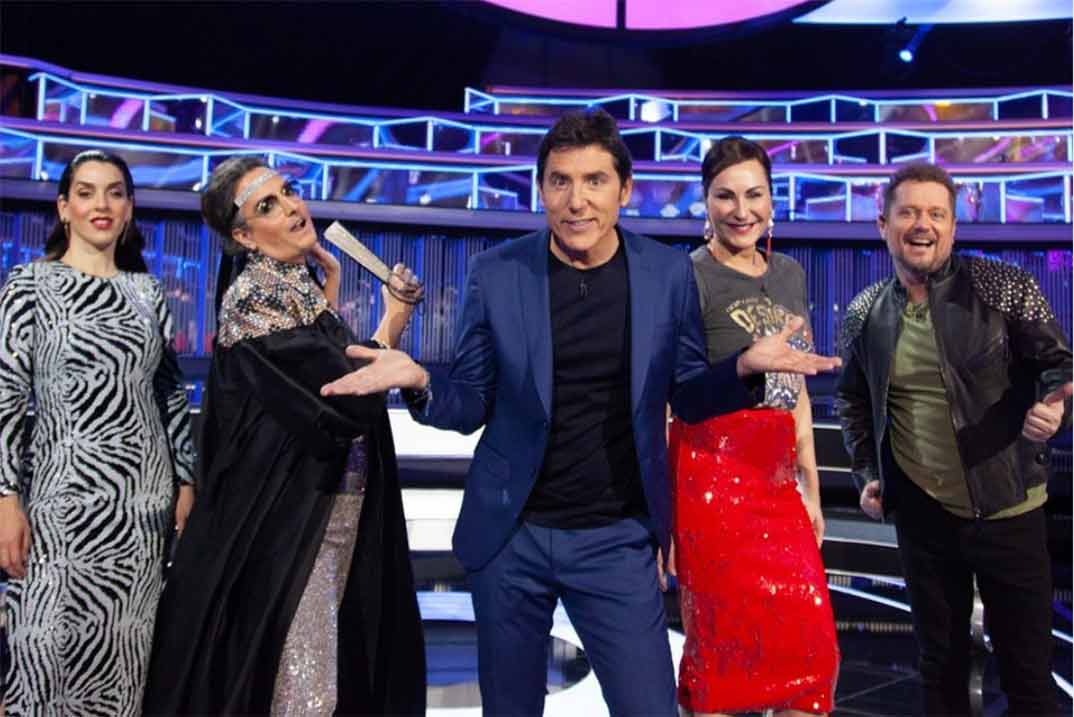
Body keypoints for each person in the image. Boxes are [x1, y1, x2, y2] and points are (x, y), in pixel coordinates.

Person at [320, 109, 840, 717]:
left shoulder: (667, 274)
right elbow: (471, 402)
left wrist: (745, 367)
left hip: (615, 540)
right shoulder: (498, 273)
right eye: (560, 181)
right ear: (541, 189)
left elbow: (688, 395)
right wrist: (421, 381)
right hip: (511, 539)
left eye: (595, 181)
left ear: (624, 190)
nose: (577, 201)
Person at [141, 156, 426, 716]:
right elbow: (342, 397)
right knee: (303, 685)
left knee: (323, 668)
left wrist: (332, 295)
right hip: (290, 522)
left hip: (332, 512)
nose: (293, 207)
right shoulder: (255, 298)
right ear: (244, 237)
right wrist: (392, 321)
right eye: (267, 206)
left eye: (289, 192)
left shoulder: (294, 284)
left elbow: (314, 372)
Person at [835, 162, 1072, 716]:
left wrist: (1055, 405)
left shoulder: (1003, 287)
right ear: (883, 225)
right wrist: (868, 473)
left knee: (1028, 678)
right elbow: (852, 401)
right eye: (908, 212)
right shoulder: (866, 311)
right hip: (923, 519)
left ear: (953, 226)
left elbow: (1059, 365)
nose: (923, 224)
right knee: (939, 670)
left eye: (936, 213)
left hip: (1009, 508)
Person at [0, 150, 196, 715]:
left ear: (129, 207)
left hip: (141, 508)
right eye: (85, 193)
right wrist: (5, 498)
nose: (101, 205)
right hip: (57, 507)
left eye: (114, 192)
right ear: (64, 208)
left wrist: (185, 480)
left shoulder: (147, 292)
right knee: (40, 654)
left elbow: (169, 394)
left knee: (125, 663)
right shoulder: (29, 285)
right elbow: (5, 396)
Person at [669, 137, 839, 716]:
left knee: (811, 655)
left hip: (777, 479)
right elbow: (674, 396)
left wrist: (810, 485)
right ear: (705, 201)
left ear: (772, 199)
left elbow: (797, 388)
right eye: (726, 196)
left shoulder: (789, 274)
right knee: (723, 656)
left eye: (754, 195)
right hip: (712, 477)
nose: (741, 211)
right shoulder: (687, 277)